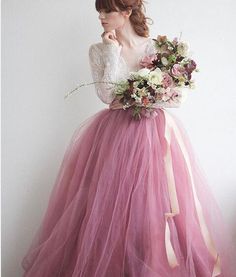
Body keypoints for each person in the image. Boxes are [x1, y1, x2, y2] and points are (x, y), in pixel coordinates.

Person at [21, 0, 236, 276]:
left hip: (156, 137)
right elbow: (107, 96)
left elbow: (176, 98)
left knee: (155, 208)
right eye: (99, 11)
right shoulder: (99, 50)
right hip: (115, 137)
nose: (101, 17)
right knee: (110, 208)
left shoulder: (158, 49)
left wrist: (143, 95)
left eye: (107, 10)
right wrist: (112, 52)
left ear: (126, 12)